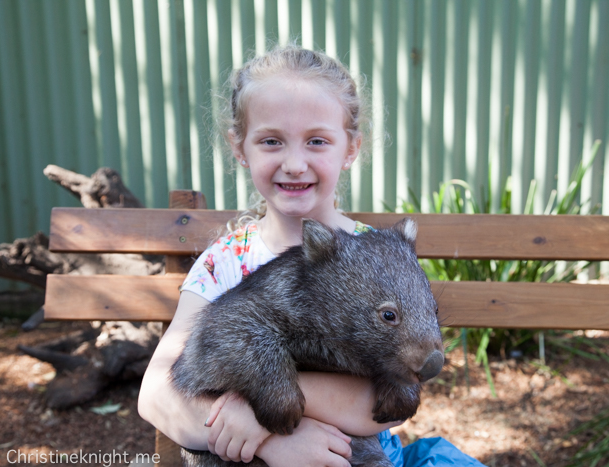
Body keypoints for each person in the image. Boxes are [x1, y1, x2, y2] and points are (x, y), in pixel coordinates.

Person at [138, 44, 484, 467]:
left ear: (351, 147)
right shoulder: (224, 261)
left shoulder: (383, 254)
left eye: (316, 140)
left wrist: (271, 410)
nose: (295, 163)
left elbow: (383, 407)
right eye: (271, 141)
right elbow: (158, 394)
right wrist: (269, 438)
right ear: (240, 147)